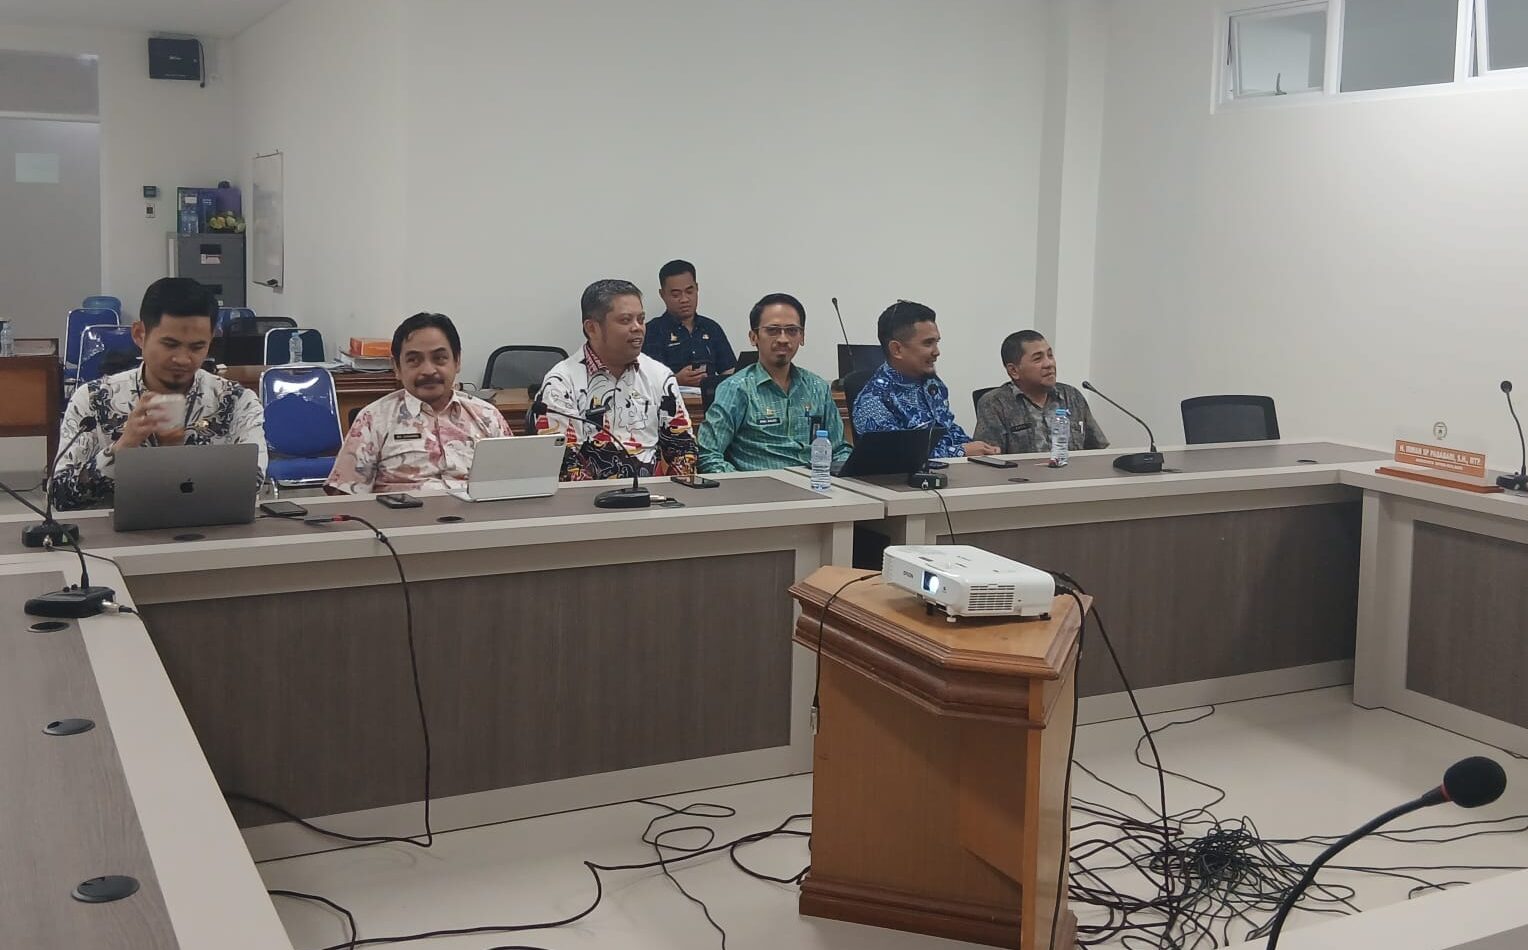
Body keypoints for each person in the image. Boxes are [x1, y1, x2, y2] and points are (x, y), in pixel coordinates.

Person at [52, 277, 266, 510]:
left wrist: (176, 456)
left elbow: (251, 483)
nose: (183, 359)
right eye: (170, 344)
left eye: (197, 347)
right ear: (139, 335)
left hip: (212, 529)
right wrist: (122, 448)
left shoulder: (236, 401)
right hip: (110, 532)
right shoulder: (94, 399)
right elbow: (61, 496)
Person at [326, 313, 513, 494]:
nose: (428, 370)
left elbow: (516, 484)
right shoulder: (373, 419)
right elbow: (344, 499)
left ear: (457, 361)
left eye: (439, 358)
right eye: (414, 360)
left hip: (477, 514)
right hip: (402, 515)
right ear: (397, 368)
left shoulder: (488, 417)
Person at [538, 279, 698, 480]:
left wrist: (671, 493)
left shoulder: (659, 376)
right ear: (592, 328)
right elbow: (563, 465)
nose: (637, 327)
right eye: (625, 320)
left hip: (653, 494)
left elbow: (683, 449)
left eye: (641, 319)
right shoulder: (561, 384)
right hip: (589, 497)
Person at [698, 293, 850, 473]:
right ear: (753, 337)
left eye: (792, 330)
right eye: (773, 330)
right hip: (761, 487)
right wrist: (743, 484)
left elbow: (840, 450)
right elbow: (708, 455)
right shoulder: (737, 389)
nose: (783, 339)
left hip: (816, 484)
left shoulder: (818, 388)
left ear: (802, 336)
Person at [850, 301, 998, 458]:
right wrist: (960, 452)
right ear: (897, 349)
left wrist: (982, 449)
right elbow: (895, 457)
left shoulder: (931, 384)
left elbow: (948, 430)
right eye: (928, 343)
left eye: (937, 342)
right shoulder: (872, 401)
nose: (937, 352)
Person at [974, 330, 1109, 455]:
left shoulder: (1072, 396)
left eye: (1050, 355)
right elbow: (989, 460)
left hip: (1073, 473)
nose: (1049, 363)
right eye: (1038, 359)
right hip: (1022, 474)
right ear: (1014, 371)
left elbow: (1098, 452)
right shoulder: (995, 404)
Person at [641, 259, 737, 391]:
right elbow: (646, 382)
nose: (684, 299)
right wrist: (676, 380)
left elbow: (729, 371)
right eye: (676, 294)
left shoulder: (711, 328)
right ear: (662, 294)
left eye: (689, 292)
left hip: (711, 400)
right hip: (671, 401)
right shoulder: (652, 331)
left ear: (697, 288)